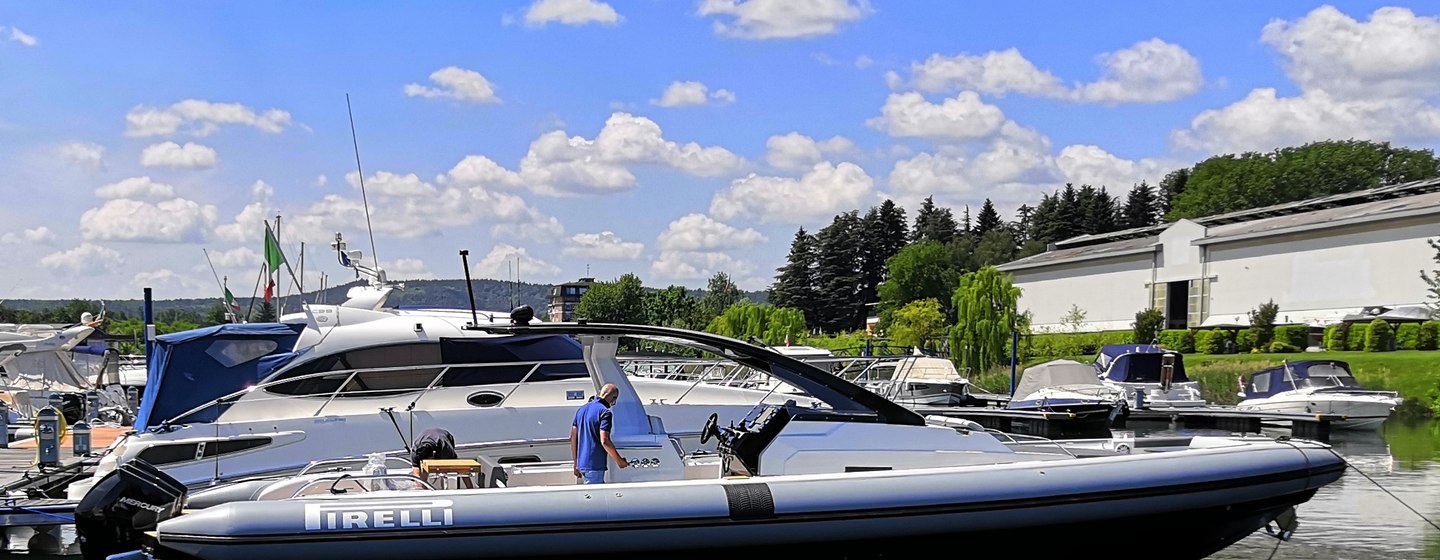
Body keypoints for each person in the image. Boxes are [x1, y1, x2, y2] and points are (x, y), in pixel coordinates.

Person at [570, 383, 629, 484]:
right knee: (595, 498)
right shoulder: (605, 412)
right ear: (613, 398)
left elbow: (573, 438)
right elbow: (604, 440)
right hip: (594, 464)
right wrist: (619, 461)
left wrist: (576, 463)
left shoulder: (581, 410)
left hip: (582, 464)